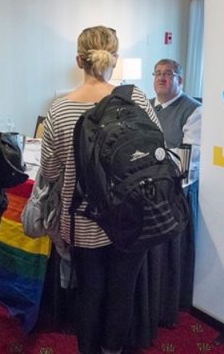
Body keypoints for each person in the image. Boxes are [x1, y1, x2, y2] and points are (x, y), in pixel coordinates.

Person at [40, 26, 160, 354]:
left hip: (83, 219)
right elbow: (157, 149)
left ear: (78, 60)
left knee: (89, 293)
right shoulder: (136, 99)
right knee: (123, 292)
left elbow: (50, 172)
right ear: (114, 59)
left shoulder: (59, 109)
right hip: (130, 218)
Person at [149, 58, 201, 324]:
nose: (161, 78)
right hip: (149, 187)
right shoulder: (146, 107)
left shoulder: (193, 110)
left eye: (168, 74)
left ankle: (168, 301)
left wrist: (152, 155)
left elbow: (188, 157)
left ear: (180, 80)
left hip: (177, 191)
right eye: (158, 73)